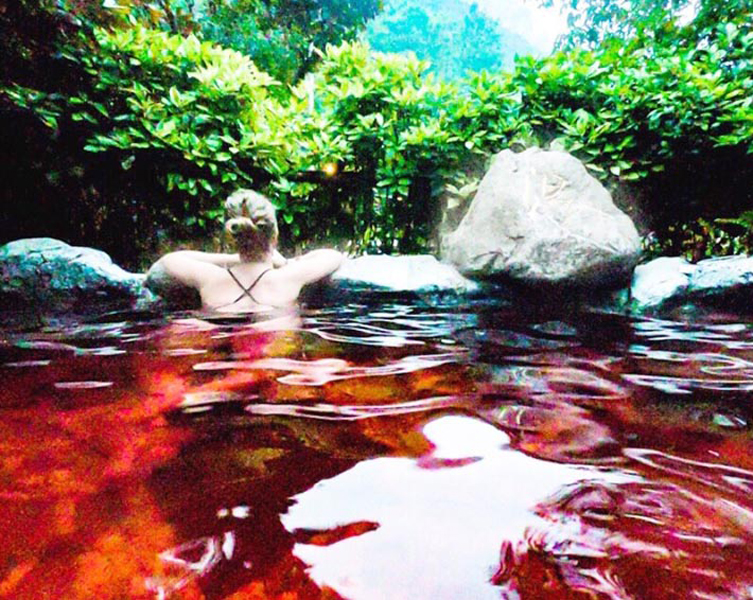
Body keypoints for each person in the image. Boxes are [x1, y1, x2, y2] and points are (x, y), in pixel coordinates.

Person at [148, 189, 343, 312]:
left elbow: (170, 260)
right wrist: (286, 262)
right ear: (274, 236)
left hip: (218, 344)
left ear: (232, 239)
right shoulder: (288, 277)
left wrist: (230, 259)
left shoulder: (211, 278)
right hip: (273, 356)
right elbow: (332, 256)